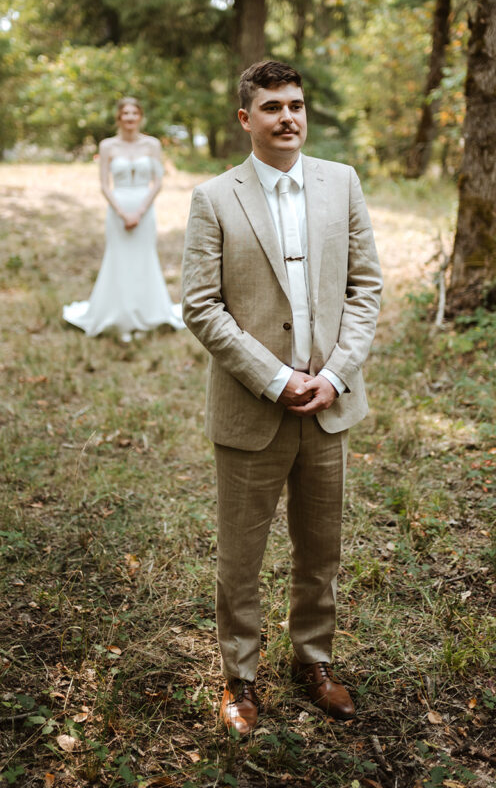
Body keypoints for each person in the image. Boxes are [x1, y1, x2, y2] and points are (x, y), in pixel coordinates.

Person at [181, 60, 382, 735]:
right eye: (271, 107)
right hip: (252, 409)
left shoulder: (341, 184)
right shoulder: (214, 198)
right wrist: (275, 378)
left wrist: (333, 375)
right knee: (241, 555)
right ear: (245, 118)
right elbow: (202, 307)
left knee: (319, 549)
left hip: (328, 405)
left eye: (295, 104)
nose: (287, 117)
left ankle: (313, 662)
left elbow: (365, 289)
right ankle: (239, 675)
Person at [63, 96, 185, 342]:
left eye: (134, 113)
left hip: (144, 209)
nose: (130, 118)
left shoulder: (152, 145)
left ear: (140, 117)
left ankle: (146, 314)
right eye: (125, 113)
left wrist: (139, 212)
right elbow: (104, 185)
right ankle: (118, 317)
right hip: (118, 209)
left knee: (144, 258)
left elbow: (158, 182)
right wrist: (122, 213)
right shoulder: (108, 145)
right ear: (119, 117)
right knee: (118, 259)